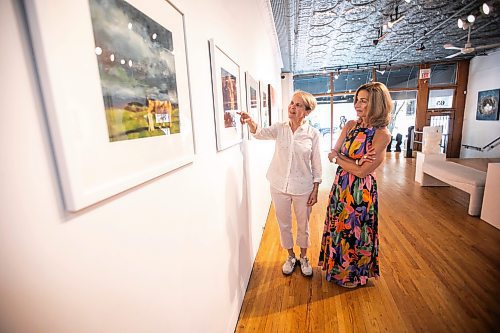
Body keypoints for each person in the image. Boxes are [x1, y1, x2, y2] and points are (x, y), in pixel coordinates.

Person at [238, 90, 322, 277]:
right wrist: (250, 121)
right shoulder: (280, 128)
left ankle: (304, 257)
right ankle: (291, 256)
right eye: (292, 103)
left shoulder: (312, 134)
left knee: (303, 225)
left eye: (298, 105)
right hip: (278, 185)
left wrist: (316, 188)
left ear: (307, 111)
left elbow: (316, 163)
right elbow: (260, 133)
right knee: (284, 224)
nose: (292, 107)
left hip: (303, 187)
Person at [318, 82, 392, 288]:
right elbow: (333, 152)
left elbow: (362, 172)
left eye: (363, 101)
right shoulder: (351, 125)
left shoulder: (382, 134)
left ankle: (352, 275)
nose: (357, 105)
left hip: (361, 191)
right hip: (341, 186)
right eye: (356, 100)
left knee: (355, 231)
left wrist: (346, 161)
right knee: (339, 229)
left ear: (377, 104)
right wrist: (355, 161)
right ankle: (337, 270)